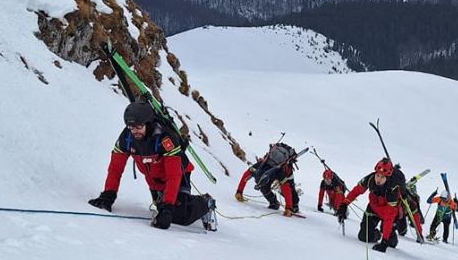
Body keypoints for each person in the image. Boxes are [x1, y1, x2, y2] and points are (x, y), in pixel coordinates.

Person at [88, 99, 217, 231]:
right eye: (131, 127)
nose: (135, 131)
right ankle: (171, 203)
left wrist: (168, 207)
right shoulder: (126, 138)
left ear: (148, 124)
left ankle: (206, 202)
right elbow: (115, 169)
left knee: (179, 216)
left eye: (139, 127)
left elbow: (173, 175)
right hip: (154, 180)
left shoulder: (165, 138)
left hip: (179, 174)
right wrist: (108, 195)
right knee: (162, 210)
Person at [336, 158, 405, 252]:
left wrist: (384, 241)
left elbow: (390, 216)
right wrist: (343, 205)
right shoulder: (370, 179)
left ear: (387, 177)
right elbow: (356, 191)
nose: (378, 179)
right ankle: (377, 235)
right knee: (364, 237)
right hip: (373, 209)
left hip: (388, 214)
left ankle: (389, 236)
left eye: (382, 177)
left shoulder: (392, 189)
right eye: (378, 175)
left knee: (390, 243)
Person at [236, 142, 300, 216]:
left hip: (285, 169)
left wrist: (289, 208)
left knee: (289, 188)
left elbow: (286, 188)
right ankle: (274, 203)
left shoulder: (280, 172)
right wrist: (239, 192)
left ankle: (294, 206)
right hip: (274, 168)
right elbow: (246, 175)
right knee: (264, 187)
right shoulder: (259, 167)